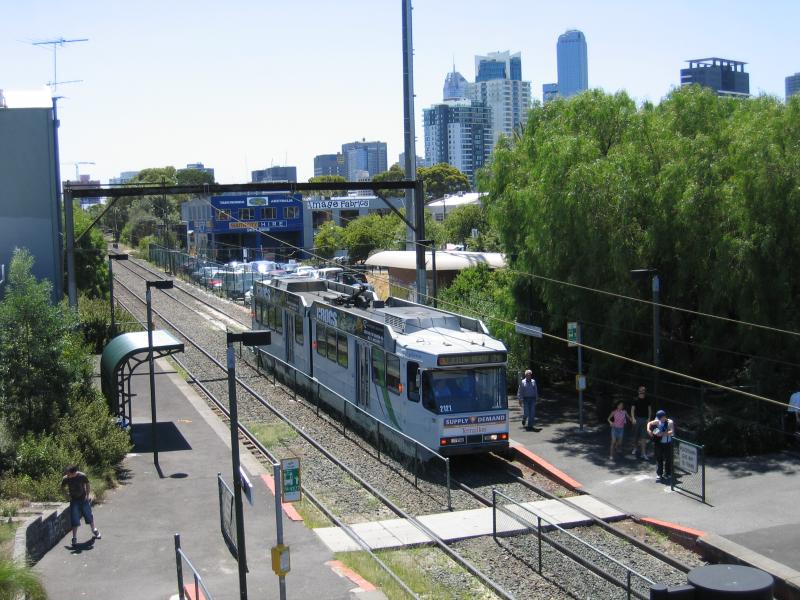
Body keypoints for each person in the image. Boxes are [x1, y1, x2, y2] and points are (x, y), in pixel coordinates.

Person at [61, 465, 101, 546]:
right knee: (74, 518)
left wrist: (87, 495)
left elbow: (87, 484)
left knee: (88, 515)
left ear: (74, 472)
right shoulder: (66, 478)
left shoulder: (82, 476)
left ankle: (94, 530)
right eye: (67, 474)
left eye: (69, 474)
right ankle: (74, 538)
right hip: (74, 500)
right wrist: (66, 496)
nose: (67, 475)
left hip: (83, 499)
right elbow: (62, 487)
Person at [647, 410, 675, 482]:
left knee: (668, 458)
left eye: (661, 418)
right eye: (658, 418)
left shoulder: (669, 422)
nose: (659, 419)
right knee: (659, 458)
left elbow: (671, 431)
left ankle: (668, 473)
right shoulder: (658, 421)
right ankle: (659, 474)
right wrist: (649, 430)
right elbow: (649, 423)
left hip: (667, 443)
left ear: (664, 416)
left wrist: (661, 434)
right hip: (659, 443)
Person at [629, 385, 653, 459]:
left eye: (643, 390)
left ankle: (643, 453)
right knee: (635, 435)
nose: (642, 392)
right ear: (638, 391)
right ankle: (635, 447)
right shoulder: (635, 399)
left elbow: (649, 410)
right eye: (641, 390)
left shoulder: (647, 400)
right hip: (637, 419)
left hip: (645, 419)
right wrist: (633, 418)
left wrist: (649, 418)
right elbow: (632, 409)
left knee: (643, 437)